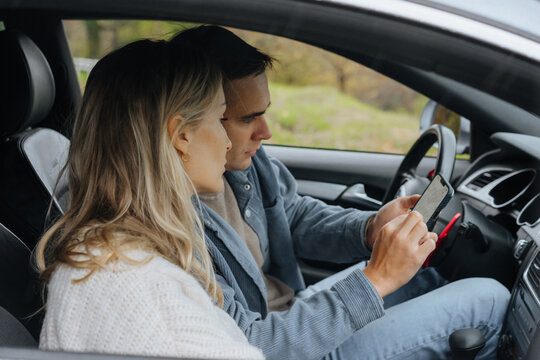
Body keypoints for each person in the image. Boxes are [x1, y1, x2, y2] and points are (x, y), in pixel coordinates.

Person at [171, 25, 510, 360]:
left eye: (265, 112)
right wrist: (375, 279)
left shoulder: (245, 163)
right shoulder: (171, 228)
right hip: (286, 345)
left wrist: (370, 228)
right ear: (187, 128)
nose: (267, 132)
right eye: (248, 119)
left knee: (425, 265)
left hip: (297, 312)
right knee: (490, 299)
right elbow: (249, 346)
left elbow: (291, 215)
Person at [35, 38, 263, 360]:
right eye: (220, 118)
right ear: (181, 135)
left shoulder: (123, 253)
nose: (227, 142)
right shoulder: (129, 281)